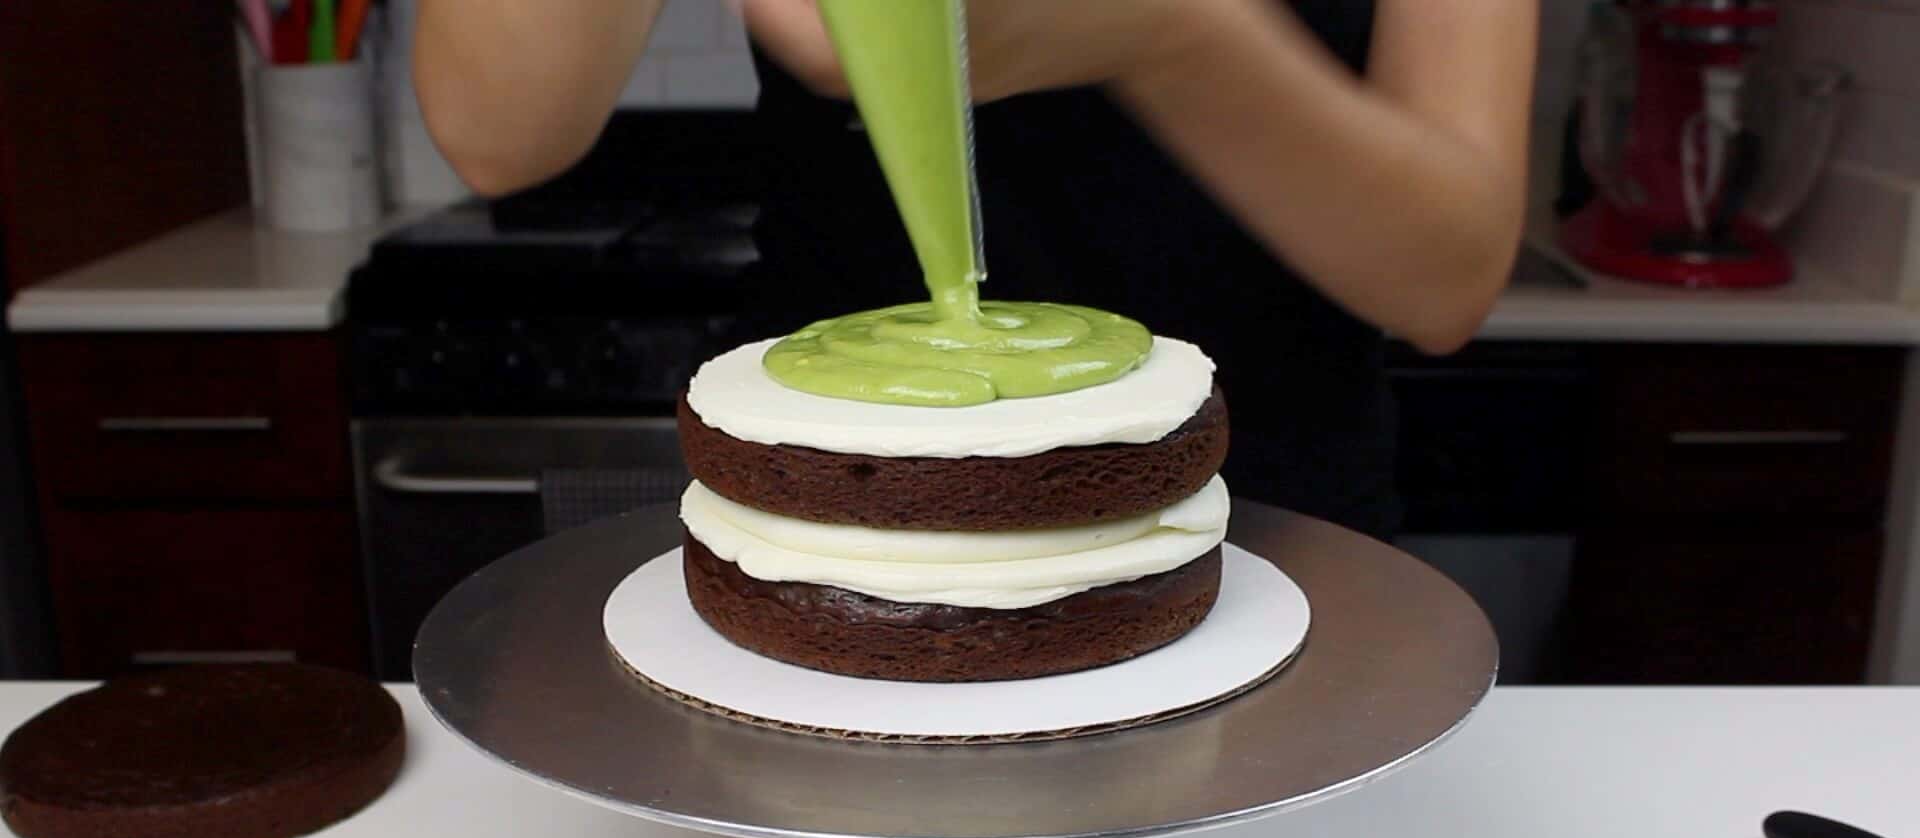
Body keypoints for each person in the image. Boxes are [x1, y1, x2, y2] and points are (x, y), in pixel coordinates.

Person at [415, 0, 1537, 539]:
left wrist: (1176, 32)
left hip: (1272, 541)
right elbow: (497, 129)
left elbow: (1446, 278)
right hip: (844, 534)